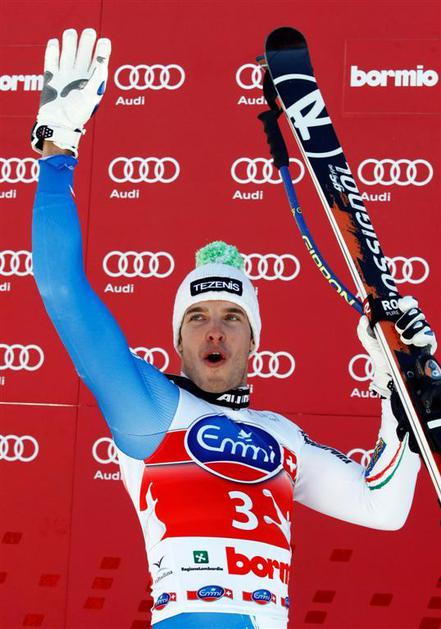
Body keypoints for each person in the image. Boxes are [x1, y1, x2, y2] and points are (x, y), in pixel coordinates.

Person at [31, 29, 436, 629]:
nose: (213, 331)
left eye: (232, 317)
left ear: (255, 341)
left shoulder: (283, 437)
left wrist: (396, 389)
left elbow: (382, 508)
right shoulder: (149, 407)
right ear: (177, 340)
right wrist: (57, 150)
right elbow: (62, 291)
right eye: (196, 318)